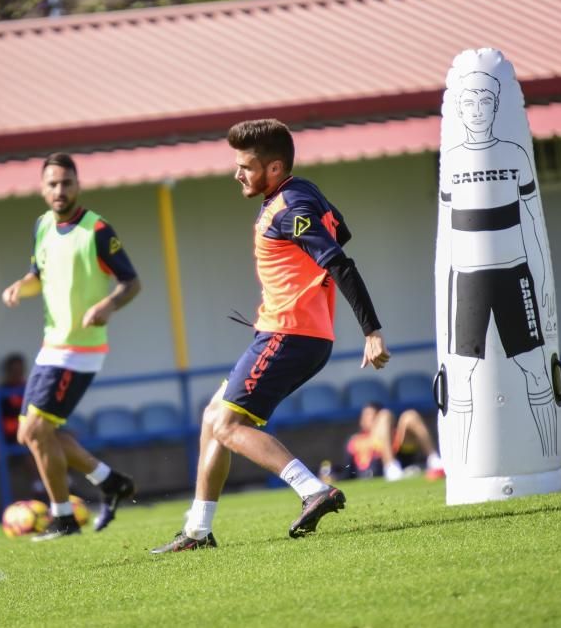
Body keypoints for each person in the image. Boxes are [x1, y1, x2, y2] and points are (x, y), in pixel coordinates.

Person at [151, 119, 390, 554]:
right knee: (212, 417)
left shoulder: (288, 209)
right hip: (296, 334)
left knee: (226, 425)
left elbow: (339, 260)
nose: (237, 174)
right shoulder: (303, 192)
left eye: (245, 165)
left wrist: (372, 331)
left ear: (275, 167)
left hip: (288, 333)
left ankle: (312, 489)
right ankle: (198, 531)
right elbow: (340, 228)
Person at [2, 152, 141, 541]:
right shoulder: (42, 226)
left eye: (66, 183)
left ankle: (64, 517)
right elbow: (37, 275)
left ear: (78, 185)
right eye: (52, 184)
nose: (59, 190)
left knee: (36, 430)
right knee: (30, 434)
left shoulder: (97, 230)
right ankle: (109, 480)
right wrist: (20, 287)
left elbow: (131, 282)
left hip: (81, 349)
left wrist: (106, 305)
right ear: (43, 189)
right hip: (52, 345)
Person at [439, 71, 560, 464]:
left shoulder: (515, 154)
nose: (476, 111)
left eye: (485, 102)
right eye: (468, 103)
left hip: (513, 274)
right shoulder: (453, 160)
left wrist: (540, 281)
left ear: (495, 106)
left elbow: (533, 225)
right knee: (462, 378)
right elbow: (446, 232)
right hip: (468, 281)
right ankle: (460, 467)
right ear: (459, 108)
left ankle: (547, 457)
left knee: (535, 368)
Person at [345, 403, 444, 481]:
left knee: (410, 415)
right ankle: (390, 466)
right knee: (385, 414)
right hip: (376, 467)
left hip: (398, 455)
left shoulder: (391, 434)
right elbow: (348, 469)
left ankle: (434, 460)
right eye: (367, 415)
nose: (370, 419)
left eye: (374, 416)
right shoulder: (356, 440)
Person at [0, 353, 27, 442]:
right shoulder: (1, 392)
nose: (17, 373)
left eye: (20, 370)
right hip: (12, 432)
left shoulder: (29, 388)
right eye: (14, 370)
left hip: (28, 427)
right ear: (8, 371)